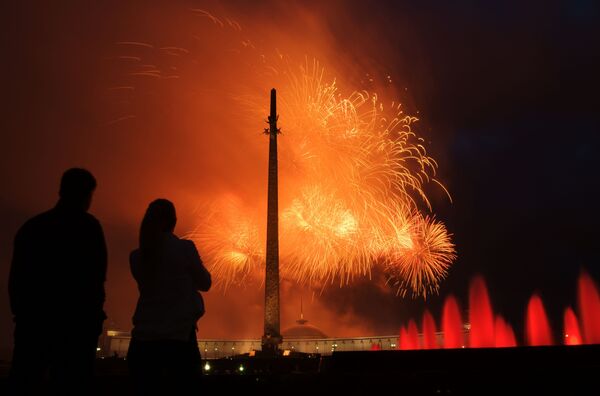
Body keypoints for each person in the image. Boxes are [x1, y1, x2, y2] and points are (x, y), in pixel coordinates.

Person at [8, 168, 107, 395]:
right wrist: (93, 320)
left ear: (61, 190)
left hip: (33, 326)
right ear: (87, 195)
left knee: (25, 381)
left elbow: (16, 280)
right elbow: (97, 279)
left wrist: (22, 316)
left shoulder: (32, 228)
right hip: (76, 330)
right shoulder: (89, 228)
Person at [127, 199, 211, 396]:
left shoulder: (136, 257)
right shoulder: (185, 249)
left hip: (142, 343)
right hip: (178, 341)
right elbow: (205, 283)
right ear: (173, 221)